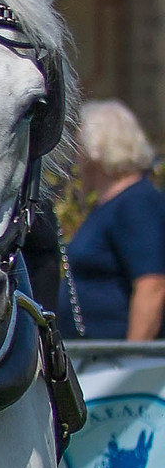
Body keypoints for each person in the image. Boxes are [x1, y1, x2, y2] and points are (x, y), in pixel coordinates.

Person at [63, 99, 165, 340]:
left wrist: (132, 355)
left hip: (116, 358)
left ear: (95, 148)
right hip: (94, 357)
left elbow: (152, 285)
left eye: (79, 146)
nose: (76, 158)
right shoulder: (108, 205)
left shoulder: (136, 203)